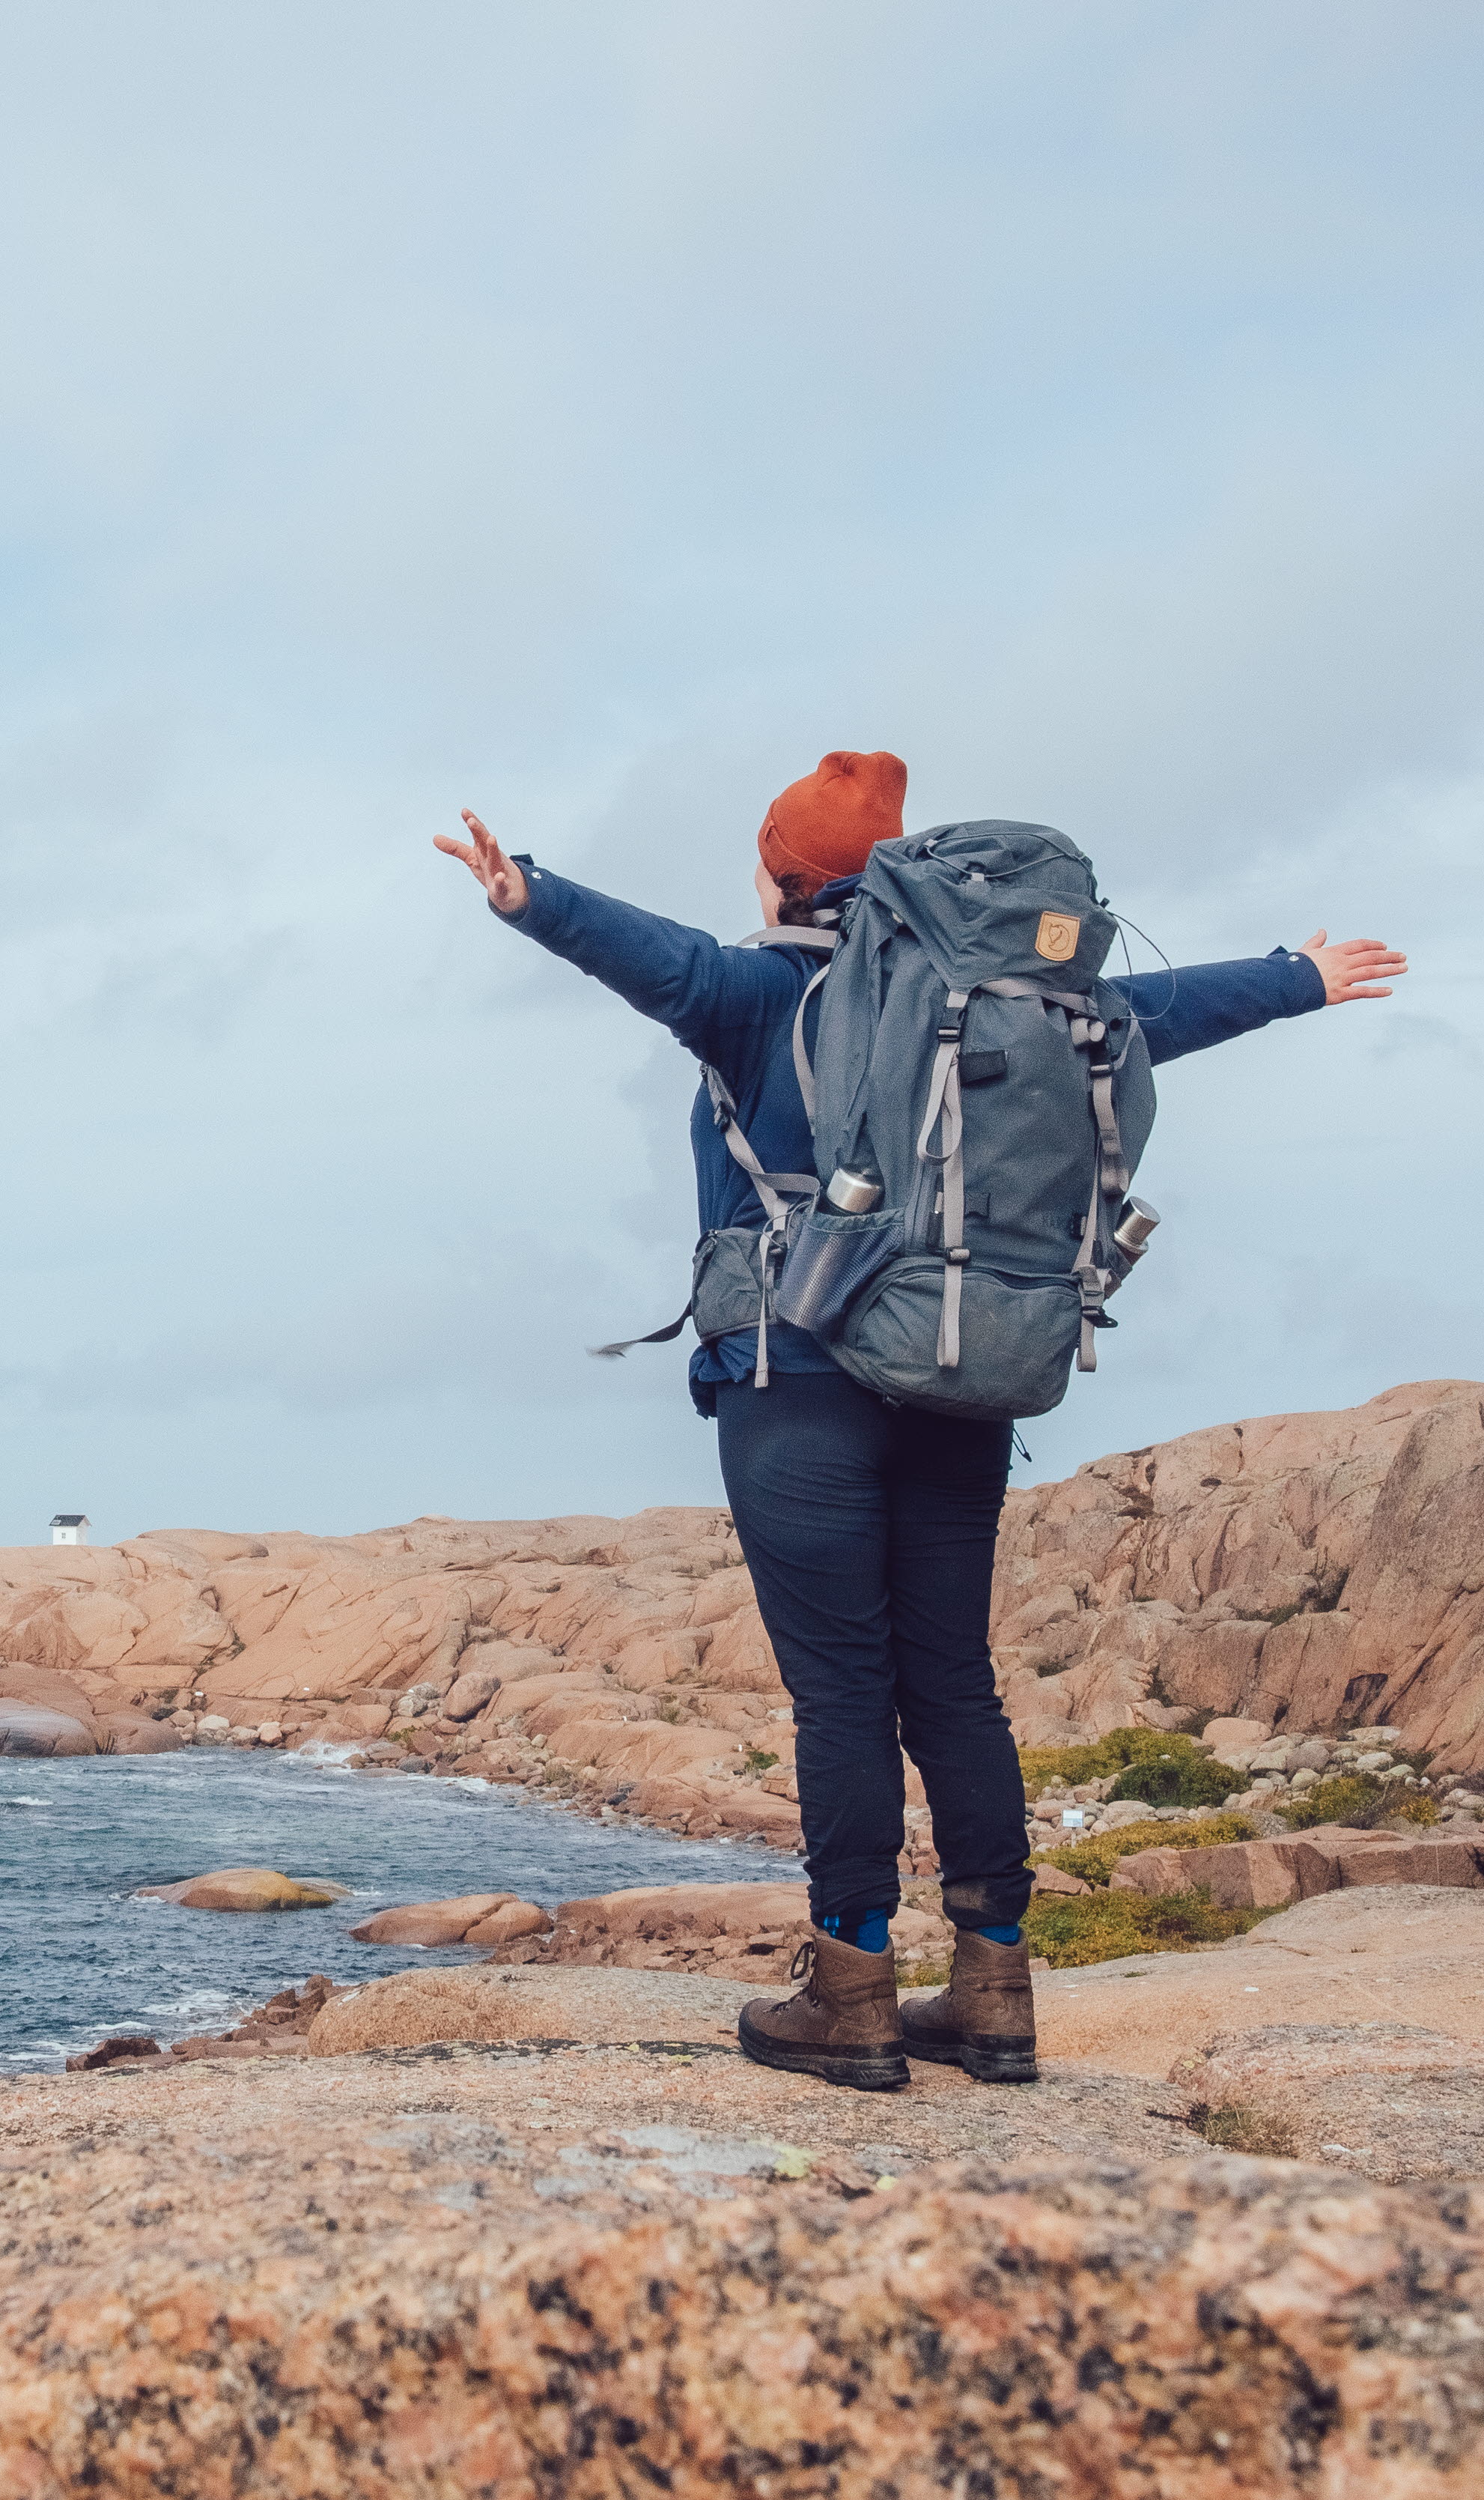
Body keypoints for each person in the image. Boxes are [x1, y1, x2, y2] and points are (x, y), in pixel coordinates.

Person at [434, 752, 1404, 2091]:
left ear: (779, 873)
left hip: (796, 1380)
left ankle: (849, 1993)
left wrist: (525, 892)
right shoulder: (1008, 1003)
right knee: (952, 1683)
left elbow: (643, 955)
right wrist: (1295, 977)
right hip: (964, 1372)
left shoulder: (750, 988)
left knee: (841, 1692)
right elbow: (1147, 1013)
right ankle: (993, 1989)